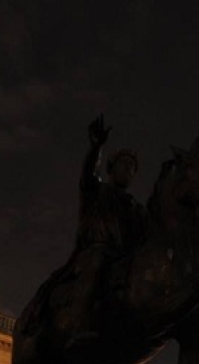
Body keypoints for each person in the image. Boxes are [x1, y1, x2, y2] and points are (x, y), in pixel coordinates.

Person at [64, 114, 149, 347]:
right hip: (96, 251)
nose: (129, 171)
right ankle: (78, 324)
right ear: (111, 168)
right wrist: (96, 148)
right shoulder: (96, 191)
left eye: (133, 168)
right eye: (125, 165)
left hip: (123, 258)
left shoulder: (135, 208)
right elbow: (89, 173)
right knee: (96, 261)